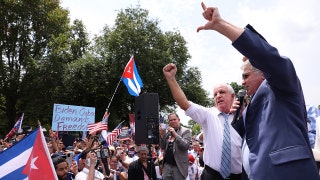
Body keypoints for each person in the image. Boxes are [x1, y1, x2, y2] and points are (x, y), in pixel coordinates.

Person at [197, 2, 319, 179]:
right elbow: (244, 139)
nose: (242, 82)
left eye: (246, 76)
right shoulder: (251, 104)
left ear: (262, 72)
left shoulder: (282, 85)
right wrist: (236, 118)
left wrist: (220, 25)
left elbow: (267, 56)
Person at [162, 62, 242, 180]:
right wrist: (171, 78)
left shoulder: (243, 116)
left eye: (222, 92)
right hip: (212, 175)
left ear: (232, 96)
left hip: (239, 176)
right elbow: (184, 103)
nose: (218, 96)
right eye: (215, 94)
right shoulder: (208, 115)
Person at [159, 113, 191, 180]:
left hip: (179, 166)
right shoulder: (167, 132)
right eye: (170, 120)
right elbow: (162, 147)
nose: (172, 121)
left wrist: (175, 135)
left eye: (174, 119)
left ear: (179, 120)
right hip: (167, 165)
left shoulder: (186, 131)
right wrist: (162, 136)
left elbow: (186, 146)